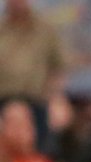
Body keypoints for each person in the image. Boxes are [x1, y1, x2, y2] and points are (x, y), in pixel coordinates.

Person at [0, 0, 65, 145]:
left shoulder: (45, 29)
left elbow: (58, 66)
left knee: (42, 149)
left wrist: (56, 100)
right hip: (3, 100)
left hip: (36, 101)